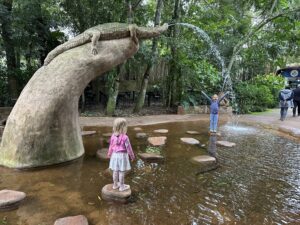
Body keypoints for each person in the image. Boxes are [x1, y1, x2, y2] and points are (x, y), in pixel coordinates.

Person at [107, 118, 135, 191]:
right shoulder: (125, 137)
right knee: (122, 171)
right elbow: (129, 148)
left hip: (114, 155)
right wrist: (132, 156)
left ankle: (115, 185)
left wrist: (109, 153)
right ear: (123, 127)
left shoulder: (113, 136)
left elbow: (111, 146)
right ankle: (122, 186)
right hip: (122, 156)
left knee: (115, 171)